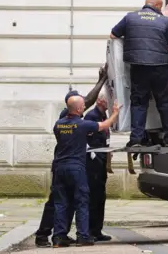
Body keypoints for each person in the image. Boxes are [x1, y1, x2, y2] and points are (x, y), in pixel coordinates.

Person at [34, 65, 108, 248]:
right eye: (80, 103)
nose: (83, 104)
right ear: (72, 106)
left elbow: (87, 101)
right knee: (57, 202)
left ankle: (60, 235)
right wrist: (101, 81)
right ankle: (44, 234)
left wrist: (101, 81)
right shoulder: (67, 116)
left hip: (63, 165)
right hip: (67, 165)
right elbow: (89, 100)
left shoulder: (67, 118)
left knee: (62, 201)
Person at [110, 0, 168, 147]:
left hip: (139, 66)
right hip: (160, 66)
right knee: (164, 103)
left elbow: (113, 35)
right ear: (157, 6)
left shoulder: (130, 17)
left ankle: (136, 139)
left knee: (139, 103)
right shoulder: (163, 21)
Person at [52, 95, 120, 248]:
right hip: (76, 167)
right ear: (77, 109)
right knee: (82, 201)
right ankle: (83, 236)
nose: (84, 108)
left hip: (60, 168)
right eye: (82, 106)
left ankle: (59, 237)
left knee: (61, 202)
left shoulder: (58, 125)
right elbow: (105, 125)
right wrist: (115, 113)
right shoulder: (82, 125)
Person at [84, 92, 112, 242]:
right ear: (101, 101)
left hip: (101, 161)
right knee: (93, 197)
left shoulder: (103, 116)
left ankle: (97, 230)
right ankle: (89, 230)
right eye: (108, 101)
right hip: (93, 162)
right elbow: (90, 140)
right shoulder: (91, 116)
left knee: (101, 196)